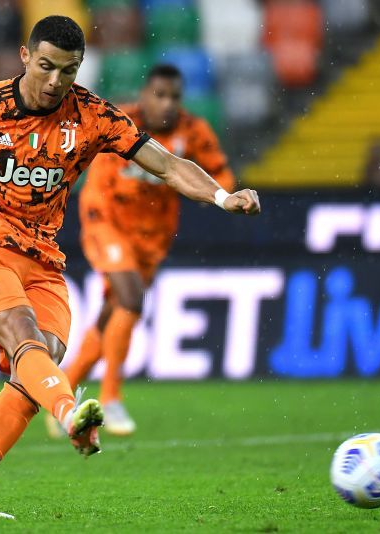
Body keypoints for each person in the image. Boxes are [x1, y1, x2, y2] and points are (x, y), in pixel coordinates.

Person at [0, 15, 261, 520]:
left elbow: (167, 165)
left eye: (69, 70)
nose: (56, 82)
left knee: (39, 364)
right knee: (22, 337)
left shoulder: (93, 116)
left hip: (43, 261)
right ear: (24, 56)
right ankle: (71, 413)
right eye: (46, 66)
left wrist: (221, 194)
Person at [47, 64, 236, 437]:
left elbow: (222, 175)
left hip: (153, 236)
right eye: (159, 95)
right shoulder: (120, 123)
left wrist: (220, 197)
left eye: (174, 97)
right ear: (144, 95)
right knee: (131, 299)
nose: (167, 105)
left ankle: (60, 395)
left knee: (113, 314)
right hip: (108, 223)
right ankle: (112, 398)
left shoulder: (194, 131)